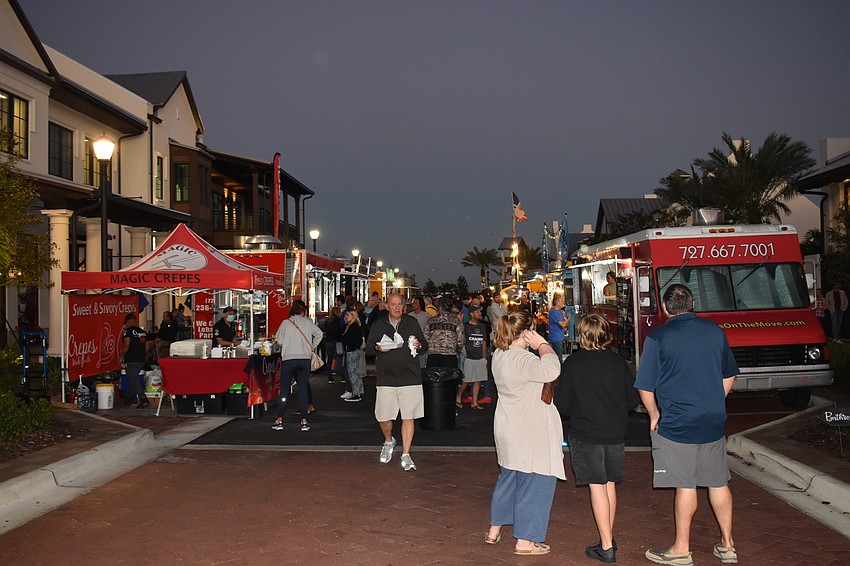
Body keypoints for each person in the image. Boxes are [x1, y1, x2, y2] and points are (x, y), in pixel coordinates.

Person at [634, 284, 739, 566]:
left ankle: (681, 549)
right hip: (712, 419)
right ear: (692, 304)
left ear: (665, 308)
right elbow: (729, 374)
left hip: (677, 423)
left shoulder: (658, 337)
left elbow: (645, 386)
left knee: (686, 485)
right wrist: (716, 399)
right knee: (718, 481)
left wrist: (654, 414)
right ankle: (728, 545)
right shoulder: (715, 332)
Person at [555, 314, 639, 563]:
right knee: (610, 483)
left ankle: (606, 545)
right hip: (614, 431)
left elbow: (563, 404)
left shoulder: (574, 363)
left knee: (597, 486)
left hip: (586, 432)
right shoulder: (617, 362)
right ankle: (608, 537)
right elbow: (632, 400)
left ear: (582, 334)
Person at [486, 309, 563, 556]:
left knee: (509, 479)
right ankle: (525, 541)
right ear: (526, 332)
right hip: (529, 430)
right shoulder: (522, 359)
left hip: (509, 426)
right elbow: (552, 369)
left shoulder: (499, 354)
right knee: (536, 481)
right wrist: (542, 345)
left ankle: (494, 529)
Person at [366, 293, 428, 472]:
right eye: (393, 305)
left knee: (408, 417)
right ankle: (389, 440)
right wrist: (377, 347)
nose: (397, 308)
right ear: (387, 306)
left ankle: (406, 454)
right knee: (383, 417)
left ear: (404, 306)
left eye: (400, 304)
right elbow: (369, 348)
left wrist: (419, 345)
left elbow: (424, 344)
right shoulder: (379, 325)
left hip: (410, 377)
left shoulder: (411, 322)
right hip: (386, 378)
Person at [272, 300, 323, 432]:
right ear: (303, 311)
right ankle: (304, 421)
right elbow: (319, 334)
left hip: (289, 359)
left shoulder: (285, 323)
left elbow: (279, 341)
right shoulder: (308, 322)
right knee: (303, 389)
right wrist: (312, 346)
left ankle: (279, 420)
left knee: (284, 390)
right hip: (304, 359)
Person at [457, 305, 488, 410]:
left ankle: (474, 402)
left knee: (478, 380)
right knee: (466, 380)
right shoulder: (465, 326)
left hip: (479, 357)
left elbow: (484, 342)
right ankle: (458, 396)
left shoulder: (482, 326)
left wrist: (484, 357)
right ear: (471, 314)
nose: (480, 314)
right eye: (477, 312)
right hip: (468, 358)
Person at [424, 297, 464, 368]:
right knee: (450, 378)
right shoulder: (456, 321)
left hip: (433, 356)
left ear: (440, 307)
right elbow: (461, 340)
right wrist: (456, 350)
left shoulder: (430, 321)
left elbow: (425, 338)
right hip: (450, 356)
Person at [121, 312, 150, 409]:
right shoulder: (142, 332)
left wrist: (122, 355)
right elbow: (147, 347)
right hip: (141, 359)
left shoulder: (127, 331)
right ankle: (128, 398)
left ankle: (143, 399)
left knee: (133, 379)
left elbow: (126, 344)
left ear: (127, 322)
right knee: (132, 378)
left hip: (131, 358)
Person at [341, 309, 365, 402]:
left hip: (352, 351)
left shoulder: (353, 327)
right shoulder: (350, 326)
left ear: (353, 316)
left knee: (353, 372)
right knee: (353, 372)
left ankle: (356, 393)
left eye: (347, 315)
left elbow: (352, 340)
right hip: (352, 351)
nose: (345, 317)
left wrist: (345, 338)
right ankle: (356, 391)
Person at [324, 306, 344, 384]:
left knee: (329, 359)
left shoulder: (327, 320)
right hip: (336, 341)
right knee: (340, 358)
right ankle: (343, 376)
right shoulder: (338, 320)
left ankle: (330, 377)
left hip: (328, 341)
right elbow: (340, 331)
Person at [548, 295, 570, 361]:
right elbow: (563, 325)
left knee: (559, 356)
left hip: (560, 337)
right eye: (561, 301)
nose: (563, 303)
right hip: (556, 338)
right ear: (557, 302)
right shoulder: (553, 312)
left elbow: (565, 325)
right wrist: (568, 319)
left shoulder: (560, 312)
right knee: (558, 357)